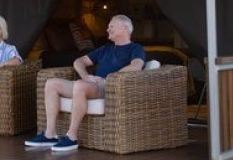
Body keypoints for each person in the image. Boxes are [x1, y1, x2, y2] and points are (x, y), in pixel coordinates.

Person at [25, 14, 145, 152]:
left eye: (111, 26)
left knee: (80, 85)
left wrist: (110, 78)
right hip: (92, 84)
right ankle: (50, 134)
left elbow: (136, 66)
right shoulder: (105, 49)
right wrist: (86, 75)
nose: (107, 29)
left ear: (124, 28)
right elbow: (78, 61)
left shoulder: (135, 48)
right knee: (51, 83)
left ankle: (71, 137)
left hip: (111, 87)